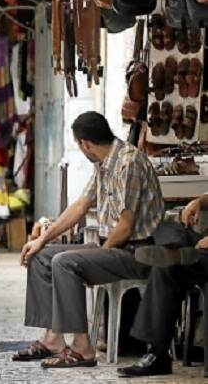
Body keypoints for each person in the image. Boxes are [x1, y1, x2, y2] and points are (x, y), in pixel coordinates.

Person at [13, 111, 164, 369]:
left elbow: (126, 227)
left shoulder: (129, 163)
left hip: (138, 251)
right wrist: (42, 240)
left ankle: (83, 348)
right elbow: (80, 206)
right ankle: (54, 339)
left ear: (85, 143)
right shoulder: (104, 164)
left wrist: (99, 256)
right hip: (114, 247)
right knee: (42, 256)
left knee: (64, 262)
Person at [117, 196, 208, 378]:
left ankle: (176, 254)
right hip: (201, 249)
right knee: (164, 228)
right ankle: (158, 355)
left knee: (167, 266)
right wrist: (198, 202)